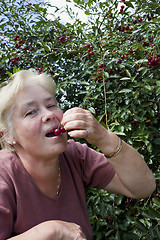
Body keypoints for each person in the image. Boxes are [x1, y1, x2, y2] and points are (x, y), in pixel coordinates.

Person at [0, 69, 156, 240]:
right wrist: (51, 232)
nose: (49, 115)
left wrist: (104, 138)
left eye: (51, 105)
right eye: (31, 112)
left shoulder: (74, 154)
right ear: (8, 135)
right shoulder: (4, 175)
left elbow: (144, 187)